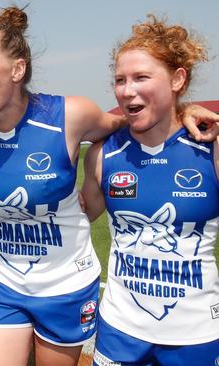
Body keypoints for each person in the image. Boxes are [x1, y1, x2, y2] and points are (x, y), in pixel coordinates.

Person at [0, 6, 219, 366]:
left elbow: (122, 123)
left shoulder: (73, 116)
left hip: (66, 288)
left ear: (17, 70)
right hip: (2, 283)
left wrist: (183, 110)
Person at [81, 15, 219, 366]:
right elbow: (75, 217)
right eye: (120, 80)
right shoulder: (102, 155)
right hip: (119, 331)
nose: (127, 90)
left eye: (142, 77)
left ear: (177, 79)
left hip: (197, 335)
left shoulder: (211, 149)